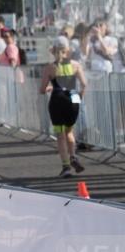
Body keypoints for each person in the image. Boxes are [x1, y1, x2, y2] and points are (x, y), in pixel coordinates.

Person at [39, 40, 87, 178]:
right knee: (70, 131)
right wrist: (78, 99)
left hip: (57, 100)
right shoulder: (76, 65)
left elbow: (42, 90)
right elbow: (84, 85)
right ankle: (73, 156)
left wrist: (49, 88)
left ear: (53, 51)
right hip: (73, 99)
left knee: (60, 135)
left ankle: (66, 166)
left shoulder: (50, 68)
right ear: (67, 50)